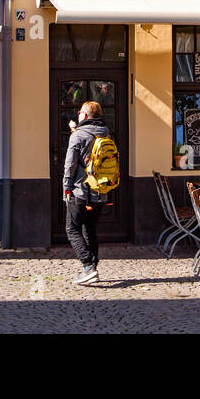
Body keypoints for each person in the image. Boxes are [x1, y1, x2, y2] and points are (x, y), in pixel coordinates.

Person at [63, 100, 110, 285]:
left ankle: (88, 266)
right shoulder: (106, 134)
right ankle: (93, 268)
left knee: (72, 229)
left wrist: (66, 187)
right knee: (90, 228)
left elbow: (70, 165)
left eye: (80, 112)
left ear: (84, 115)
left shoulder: (77, 136)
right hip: (100, 191)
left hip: (80, 191)